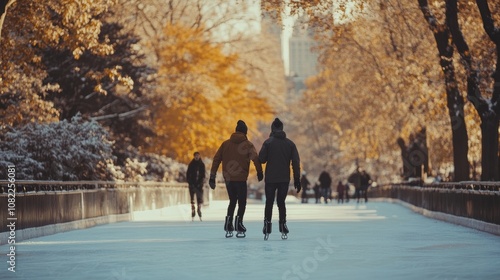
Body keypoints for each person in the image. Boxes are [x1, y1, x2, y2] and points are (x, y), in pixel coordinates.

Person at [209, 120, 263, 237]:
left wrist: (212, 176)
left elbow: (216, 159)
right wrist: (259, 172)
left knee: (232, 201)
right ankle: (239, 223)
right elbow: (255, 158)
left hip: (228, 178)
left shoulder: (225, 144)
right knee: (242, 202)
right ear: (245, 132)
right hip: (241, 179)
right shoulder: (247, 145)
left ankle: (228, 223)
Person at [259, 118, 301, 239]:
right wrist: (297, 179)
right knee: (281, 202)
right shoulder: (290, 144)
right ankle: (283, 225)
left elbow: (261, 159)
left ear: (272, 129)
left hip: (271, 179)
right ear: (282, 129)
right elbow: (296, 162)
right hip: (284, 179)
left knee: (269, 202)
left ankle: (267, 225)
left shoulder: (268, 143)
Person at [186, 151, 205, 221]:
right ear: (194, 156)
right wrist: (190, 183)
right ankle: (193, 210)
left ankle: (199, 210)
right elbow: (188, 174)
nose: (197, 157)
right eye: (195, 156)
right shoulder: (191, 164)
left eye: (198, 155)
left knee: (199, 199)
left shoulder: (202, 164)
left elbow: (203, 175)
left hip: (199, 185)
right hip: (192, 184)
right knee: (192, 199)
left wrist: (201, 183)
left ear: (199, 156)